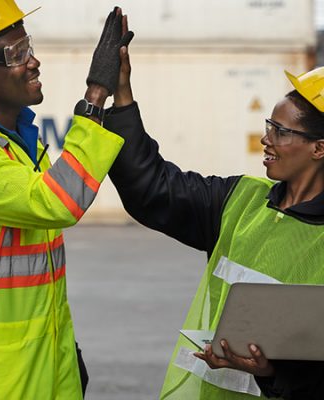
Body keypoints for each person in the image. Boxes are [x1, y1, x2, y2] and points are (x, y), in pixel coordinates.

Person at [102, 20, 324, 400]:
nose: (266, 138)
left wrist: (272, 375)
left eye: (282, 132)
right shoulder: (240, 200)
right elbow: (154, 189)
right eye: (269, 125)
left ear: (319, 148)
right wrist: (122, 95)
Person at [0, 1, 132, 399]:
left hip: (43, 357)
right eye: (17, 54)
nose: (33, 61)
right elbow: (57, 202)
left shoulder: (18, 141)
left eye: (28, 46)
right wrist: (95, 96)